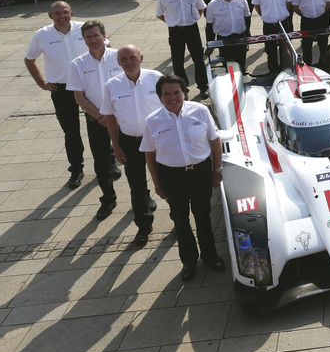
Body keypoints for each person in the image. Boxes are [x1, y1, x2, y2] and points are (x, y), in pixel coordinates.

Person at [141, 74, 225, 282]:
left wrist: (217, 169)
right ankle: (189, 261)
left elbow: (215, 141)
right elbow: (149, 154)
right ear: (160, 97)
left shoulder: (200, 111)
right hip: (172, 177)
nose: (172, 98)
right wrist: (157, 183)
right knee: (180, 220)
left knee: (203, 216)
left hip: (200, 173)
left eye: (177, 92)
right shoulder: (152, 121)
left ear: (184, 92)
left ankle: (210, 255)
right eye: (167, 94)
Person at [25, 1, 92, 189]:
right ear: (50, 16)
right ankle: (77, 169)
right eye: (57, 13)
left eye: (65, 12)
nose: (62, 16)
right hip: (61, 90)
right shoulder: (42, 35)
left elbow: (106, 46)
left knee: (99, 125)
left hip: (88, 86)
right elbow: (29, 59)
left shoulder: (84, 28)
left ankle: (108, 162)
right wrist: (42, 83)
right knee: (71, 132)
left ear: (72, 12)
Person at [102, 45, 161, 246]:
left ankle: (178, 221)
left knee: (169, 181)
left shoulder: (156, 78)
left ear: (141, 58)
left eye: (133, 57)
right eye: (124, 58)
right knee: (136, 186)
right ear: (118, 62)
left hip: (158, 140)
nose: (129, 61)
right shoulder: (112, 85)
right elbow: (109, 117)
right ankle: (144, 226)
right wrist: (116, 146)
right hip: (130, 142)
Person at [68, 20, 124, 220]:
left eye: (96, 35)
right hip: (96, 121)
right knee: (101, 162)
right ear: (83, 40)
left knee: (134, 161)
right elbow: (79, 97)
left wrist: (116, 117)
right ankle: (108, 198)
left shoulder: (120, 57)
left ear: (104, 35)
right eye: (88, 37)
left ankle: (143, 196)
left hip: (123, 120)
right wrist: (101, 117)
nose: (93, 40)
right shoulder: (77, 64)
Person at [156, 0, 209, 97]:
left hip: (192, 29)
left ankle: (203, 87)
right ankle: (183, 89)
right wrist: (171, 22)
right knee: (178, 62)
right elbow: (159, 14)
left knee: (198, 59)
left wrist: (194, 19)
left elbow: (201, 7)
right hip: (175, 31)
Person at [253, 0, 294, 75]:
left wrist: (281, 13)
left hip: (284, 22)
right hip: (268, 24)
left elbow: (288, 2)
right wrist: (265, 15)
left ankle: (286, 70)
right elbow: (257, 5)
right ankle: (273, 72)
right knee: (270, 50)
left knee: (286, 49)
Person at [206, 0, 251, 72]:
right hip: (224, 39)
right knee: (228, 66)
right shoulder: (212, 4)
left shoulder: (241, 0)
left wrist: (247, 35)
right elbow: (210, 24)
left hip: (240, 38)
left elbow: (247, 17)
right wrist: (210, 43)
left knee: (241, 65)